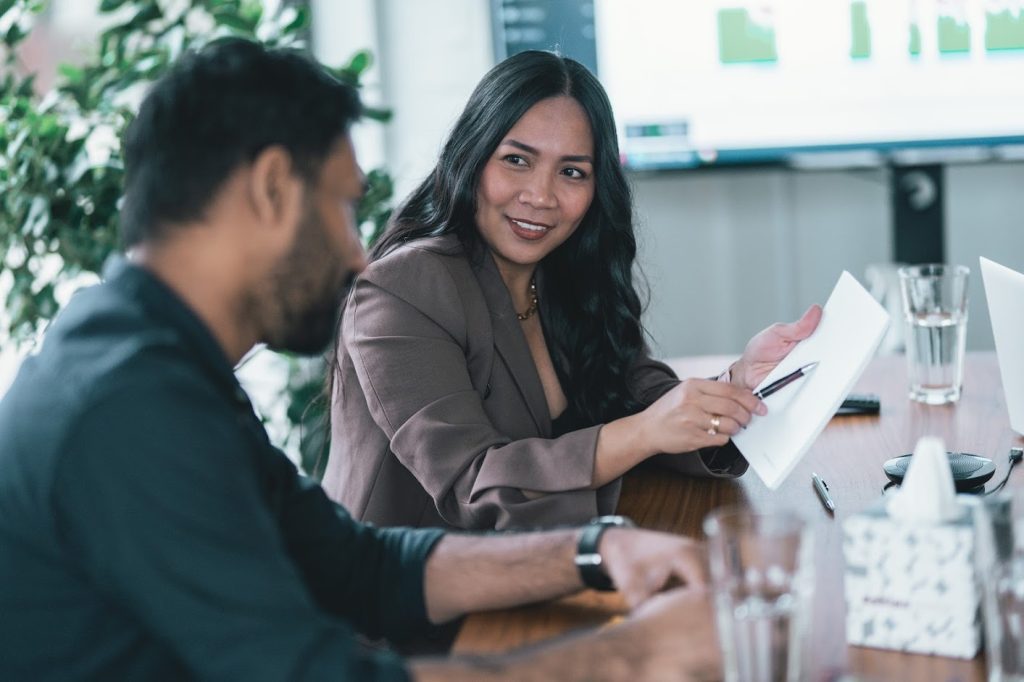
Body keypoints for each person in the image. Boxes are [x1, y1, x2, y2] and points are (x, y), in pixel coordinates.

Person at [0, 38, 729, 681]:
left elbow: (362, 566)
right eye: (346, 209)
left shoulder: (163, 367)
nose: (358, 255)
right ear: (272, 189)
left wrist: (594, 552)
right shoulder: (127, 411)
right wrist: (631, 657)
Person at [322, 50, 821, 531]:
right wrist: (644, 432)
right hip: (410, 596)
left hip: (541, 564)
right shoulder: (400, 290)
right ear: (471, 158)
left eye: (571, 172)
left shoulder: (564, 272)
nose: (541, 196)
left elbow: (640, 396)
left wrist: (737, 386)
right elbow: (471, 485)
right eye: (517, 160)